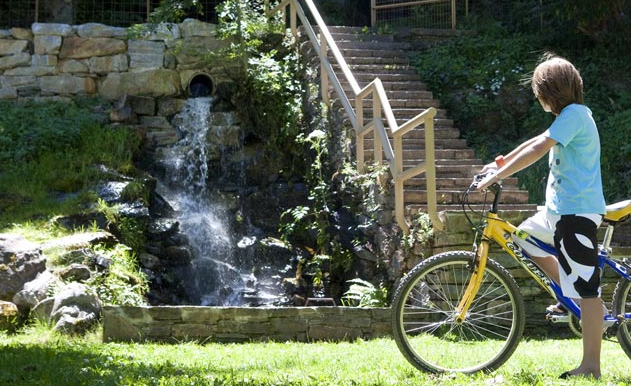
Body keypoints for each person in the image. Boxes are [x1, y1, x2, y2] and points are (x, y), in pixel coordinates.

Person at [476, 53, 606, 379]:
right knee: (525, 238)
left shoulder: (575, 115)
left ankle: (591, 365)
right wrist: (499, 167)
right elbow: (534, 141)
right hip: (556, 214)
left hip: (575, 214)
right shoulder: (568, 116)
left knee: (588, 293)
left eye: (538, 91)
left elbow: (539, 149)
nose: (536, 97)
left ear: (549, 91)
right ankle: (568, 294)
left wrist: (496, 177)